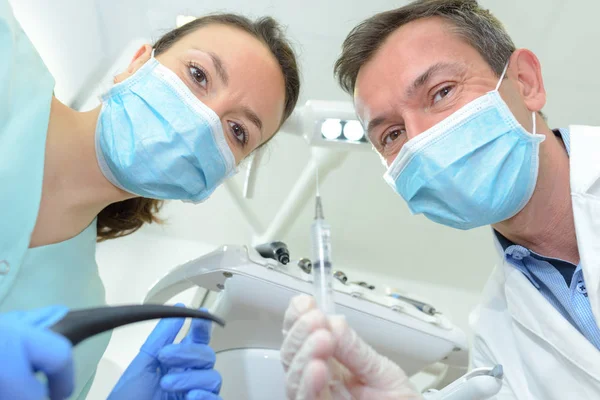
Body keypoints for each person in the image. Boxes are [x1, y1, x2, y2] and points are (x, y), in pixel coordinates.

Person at [280, 0, 600, 399]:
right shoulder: (493, 335)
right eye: (392, 135)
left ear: (525, 82)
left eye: (441, 92)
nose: (421, 138)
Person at [0, 0, 300, 397]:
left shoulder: (83, 318)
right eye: (198, 74)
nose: (203, 119)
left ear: (224, 172)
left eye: (237, 131)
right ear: (139, 61)